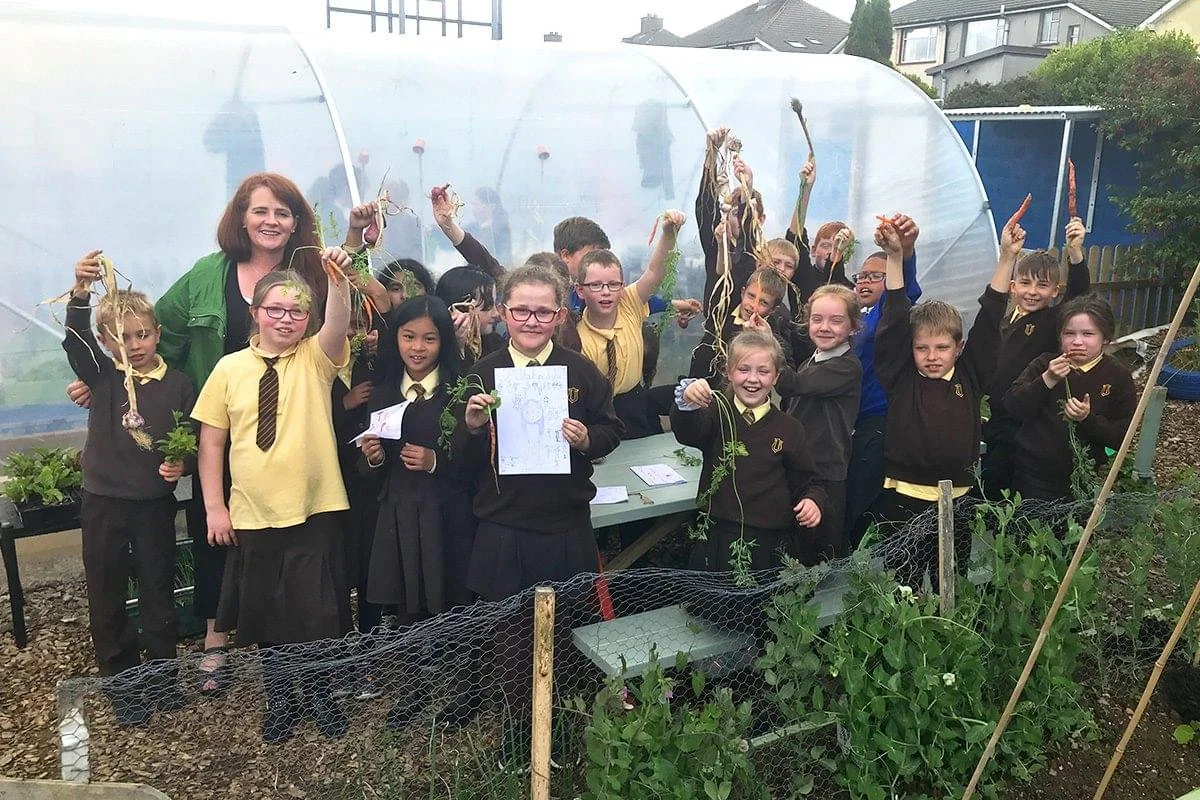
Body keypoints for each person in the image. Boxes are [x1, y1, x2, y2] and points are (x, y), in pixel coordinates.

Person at [66, 174, 364, 696]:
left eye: (284, 213)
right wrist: (118, 379)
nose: (272, 222)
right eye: (261, 211)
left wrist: (345, 265)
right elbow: (157, 329)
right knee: (222, 537)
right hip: (223, 422)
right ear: (241, 217)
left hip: (308, 426)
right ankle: (217, 637)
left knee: (305, 557)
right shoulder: (211, 278)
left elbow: (338, 324)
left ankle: (315, 670)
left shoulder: (312, 273)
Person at [451, 264, 623, 767]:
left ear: (559, 313)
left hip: (563, 523)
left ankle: (561, 728)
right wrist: (471, 425)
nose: (531, 320)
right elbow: (458, 462)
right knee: (509, 637)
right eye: (521, 310)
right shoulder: (480, 375)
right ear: (503, 313)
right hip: (504, 525)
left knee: (566, 630)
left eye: (543, 311)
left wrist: (587, 439)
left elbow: (611, 429)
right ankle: (520, 728)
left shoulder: (581, 371)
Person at [191, 251, 356, 744]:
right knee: (268, 610)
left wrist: (339, 281)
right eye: (276, 309)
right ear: (256, 313)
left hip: (314, 507)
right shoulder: (228, 369)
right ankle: (281, 696)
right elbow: (212, 443)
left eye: (297, 311)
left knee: (317, 609)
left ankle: (321, 693)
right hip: (254, 512)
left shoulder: (315, 358)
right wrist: (215, 507)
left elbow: (339, 321)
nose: (286, 319)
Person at [63, 256, 195, 726]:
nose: (133, 346)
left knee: (159, 589)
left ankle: (163, 678)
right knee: (107, 591)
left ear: (157, 333)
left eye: (142, 335)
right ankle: (122, 683)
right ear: (105, 342)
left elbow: (195, 438)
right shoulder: (103, 377)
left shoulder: (178, 385)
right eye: (120, 338)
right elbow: (75, 344)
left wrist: (183, 462)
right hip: (103, 504)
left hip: (155, 506)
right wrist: (80, 291)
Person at [863, 214, 1013, 590]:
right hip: (903, 499)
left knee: (951, 582)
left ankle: (947, 638)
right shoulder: (900, 378)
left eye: (942, 347)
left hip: (956, 500)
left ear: (959, 348)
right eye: (922, 348)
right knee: (905, 585)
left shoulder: (970, 375)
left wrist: (1008, 256)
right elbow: (895, 316)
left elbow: (991, 314)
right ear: (911, 350)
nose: (932, 356)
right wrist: (894, 258)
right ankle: (904, 637)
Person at [358, 296, 476, 727]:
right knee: (406, 603)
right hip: (401, 512)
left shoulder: (461, 390)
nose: (418, 347)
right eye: (408, 337)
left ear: (444, 341)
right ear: (396, 339)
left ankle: (467, 689)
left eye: (430, 338)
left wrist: (436, 463)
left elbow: (478, 459)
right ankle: (413, 689)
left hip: (449, 512)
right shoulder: (385, 390)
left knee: (456, 597)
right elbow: (370, 467)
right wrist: (371, 457)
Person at [672, 329, 827, 571]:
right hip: (718, 537)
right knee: (717, 605)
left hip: (771, 543)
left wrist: (812, 500)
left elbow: (809, 481)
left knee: (764, 606)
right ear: (729, 372)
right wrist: (687, 402)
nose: (752, 379)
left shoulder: (790, 428)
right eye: (743, 369)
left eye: (763, 371)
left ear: (776, 377)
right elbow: (688, 432)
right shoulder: (715, 414)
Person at [980, 216, 1091, 499]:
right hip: (997, 419)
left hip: (1025, 421)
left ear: (1055, 292)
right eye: (1026, 283)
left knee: (1013, 488)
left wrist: (1075, 254)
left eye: (1042, 286)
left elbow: (1078, 296)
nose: (1032, 292)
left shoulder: (1052, 321)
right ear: (1013, 286)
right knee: (991, 483)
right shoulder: (1005, 321)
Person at [1005, 294, 1135, 502]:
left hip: (1082, 477)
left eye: (1088, 334)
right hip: (1031, 475)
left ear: (1106, 338)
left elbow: (1121, 436)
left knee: (1074, 532)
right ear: (1060, 337)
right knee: (1027, 530)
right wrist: (1047, 379)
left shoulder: (1117, 376)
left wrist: (1087, 419)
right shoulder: (1044, 364)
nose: (1077, 342)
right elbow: (1013, 406)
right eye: (1069, 333)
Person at [844, 215, 922, 543]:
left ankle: (847, 560)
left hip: (875, 421)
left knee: (860, 497)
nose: (864, 282)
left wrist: (904, 252)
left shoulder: (887, 313)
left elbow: (903, 290)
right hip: (847, 418)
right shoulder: (852, 316)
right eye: (861, 276)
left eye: (875, 277)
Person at [575, 210, 686, 439]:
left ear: (622, 286)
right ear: (580, 290)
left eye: (613, 284)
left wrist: (668, 233)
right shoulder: (576, 336)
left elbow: (654, 272)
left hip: (634, 405)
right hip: (598, 412)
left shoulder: (629, 303)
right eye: (596, 285)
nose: (606, 292)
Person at [775, 285, 863, 561]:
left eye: (836, 321)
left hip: (826, 473)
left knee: (822, 550)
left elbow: (793, 385)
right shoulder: (814, 360)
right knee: (797, 544)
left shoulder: (847, 367)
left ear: (853, 327)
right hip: (802, 467)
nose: (825, 327)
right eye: (817, 319)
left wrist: (768, 345)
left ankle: (826, 601)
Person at [689, 267, 792, 380]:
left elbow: (785, 369)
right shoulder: (721, 313)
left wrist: (767, 339)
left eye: (763, 302)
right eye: (751, 296)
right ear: (743, 293)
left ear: (773, 310)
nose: (754, 305)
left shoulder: (774, 334)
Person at [434, 265, 503, 365]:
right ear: (461, 307)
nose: (496, 313)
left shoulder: (495, 344)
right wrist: (458, 348)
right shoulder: (433, 347)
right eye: (488, 305)